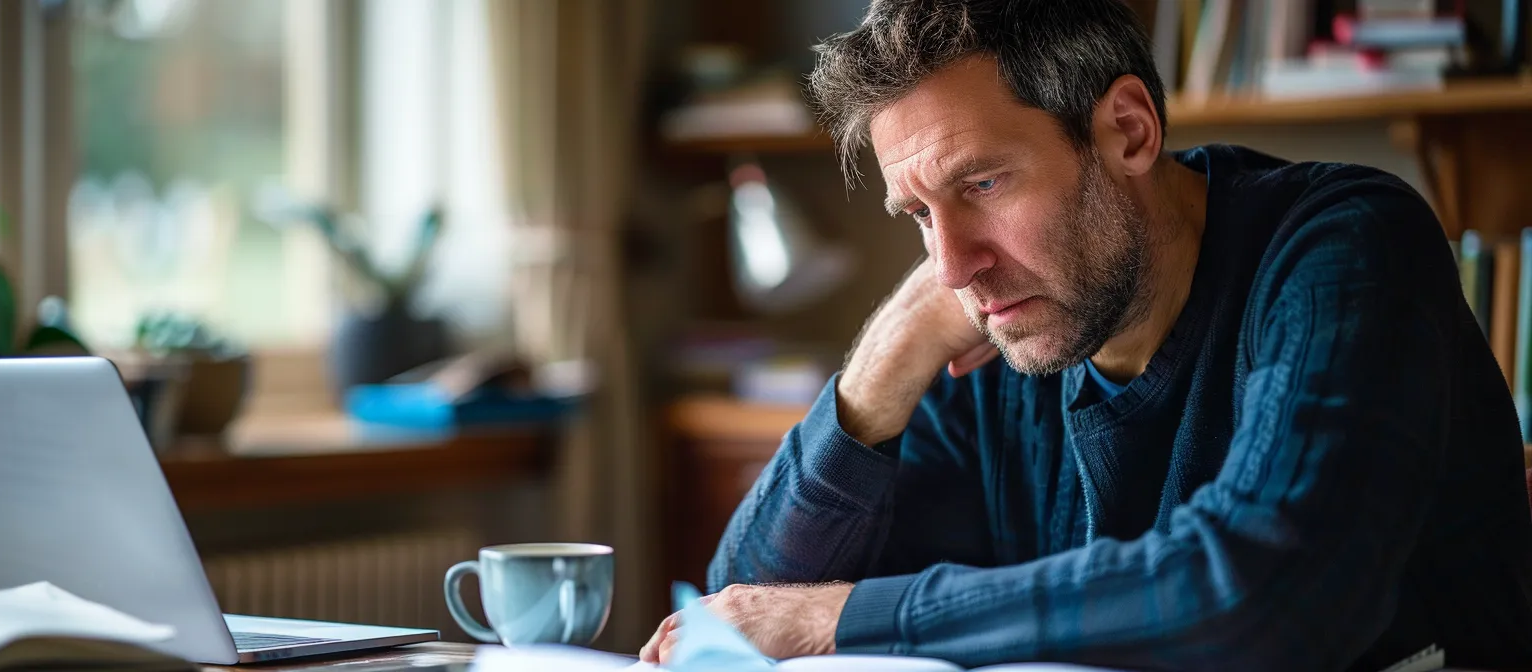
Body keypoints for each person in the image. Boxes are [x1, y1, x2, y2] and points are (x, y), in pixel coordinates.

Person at [638, 1, 1532, 670]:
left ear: (1129, 130)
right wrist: (886, 358)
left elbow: (1265, 592)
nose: (953, 265)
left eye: (982, 185)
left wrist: (843, 618)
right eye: (918, 213)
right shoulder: (1006, 333)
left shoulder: (1343, 246)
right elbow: (737, 624)